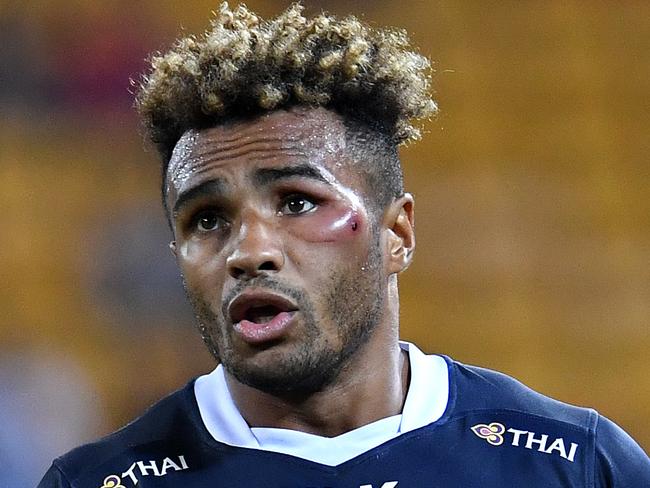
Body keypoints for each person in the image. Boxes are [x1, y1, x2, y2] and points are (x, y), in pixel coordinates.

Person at [38, 3, 650, 487]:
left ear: (397, 234)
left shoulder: (575, 466)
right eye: (206, 219)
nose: (248, 251)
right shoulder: (99, 482)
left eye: (298, 202)